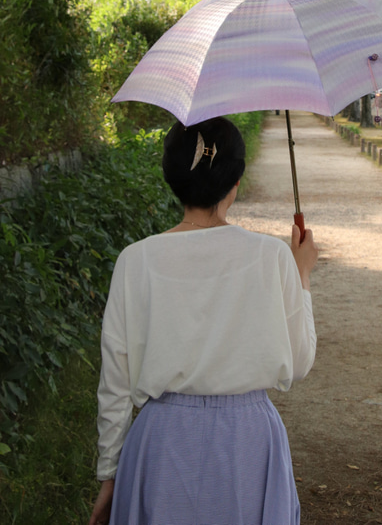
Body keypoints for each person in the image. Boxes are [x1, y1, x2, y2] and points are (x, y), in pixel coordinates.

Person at [88, 116, 318, 525]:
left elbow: (117, 383)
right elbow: (298, 363)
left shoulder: (137, 259)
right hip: (249, 442)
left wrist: (110, 473)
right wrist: (300, 273)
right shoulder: (271, 256)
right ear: (236, 183)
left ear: (172, 179)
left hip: (161, 441)